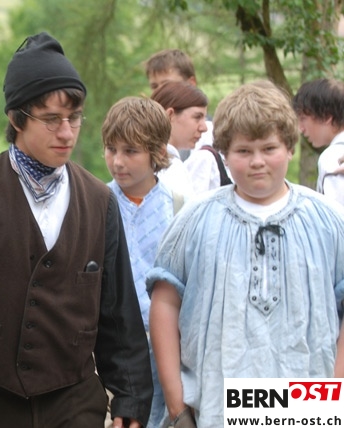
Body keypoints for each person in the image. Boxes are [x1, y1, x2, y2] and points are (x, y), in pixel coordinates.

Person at [0, 32, 153, 428]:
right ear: (16, 117)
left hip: (74, 403)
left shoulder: (100, 201)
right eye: (52, 119)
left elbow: (118, 312)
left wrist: (130, 397)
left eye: (74, 118)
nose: (67, 132)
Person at [146, 81, 344, 428]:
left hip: (307, 408)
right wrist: (177, 406)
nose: (257, 162)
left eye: (269, 148)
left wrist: (335, 396)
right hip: (215, 408)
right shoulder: (195, 219)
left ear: (289, 147)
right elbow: (165, 304)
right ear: (224, 153)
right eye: (243, 151)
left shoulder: (328, 220)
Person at [101, 96, 184, 428]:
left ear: (157, 152)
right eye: (111, 149)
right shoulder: (95, 204)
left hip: (169, 348)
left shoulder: (180, 208)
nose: (118, 161)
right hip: (113, 353)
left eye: (131, 151)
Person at [144, 49, 231, 193]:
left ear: (191, 83)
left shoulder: (212, 140)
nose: (159, 92)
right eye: (154, 86)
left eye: (167, 85)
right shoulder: (142, 143)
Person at [150, 81, 209, 198]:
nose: (204, 127)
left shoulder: (156, 163)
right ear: (170, 115)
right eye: (197, 117)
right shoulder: (168, 168)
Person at [293, 77, 344, 207]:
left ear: (326, 116)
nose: (301, 128)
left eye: (303, 118)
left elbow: (336, 214)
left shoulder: (333, 157)